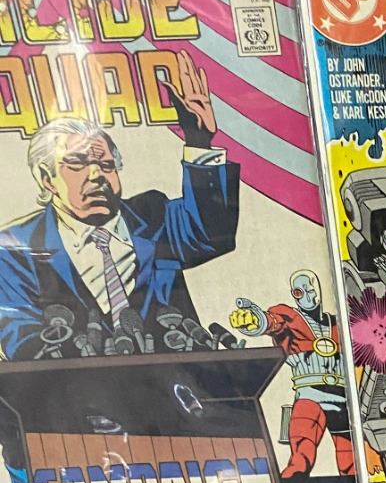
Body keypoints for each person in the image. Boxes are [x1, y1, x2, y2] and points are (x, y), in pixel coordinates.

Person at [0, 53, 239, 359]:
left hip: (175, 381)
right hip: (76, 387)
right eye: (77, 163)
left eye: (106, 164)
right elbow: (19, 337)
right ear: (47, 178)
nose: (96, 174)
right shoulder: (15, 248)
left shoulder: (153, 216)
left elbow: (211, 233)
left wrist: (198, 142)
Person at [229, 269, 354, 475]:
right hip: (310, 395)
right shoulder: (290, 317)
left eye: (310, 290)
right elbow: (271, 322)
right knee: (301, 459)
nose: (307, 296)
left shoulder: (338, 323)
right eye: (299, 292)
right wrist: (254, 319)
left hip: (343, 399)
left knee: (353, 464)